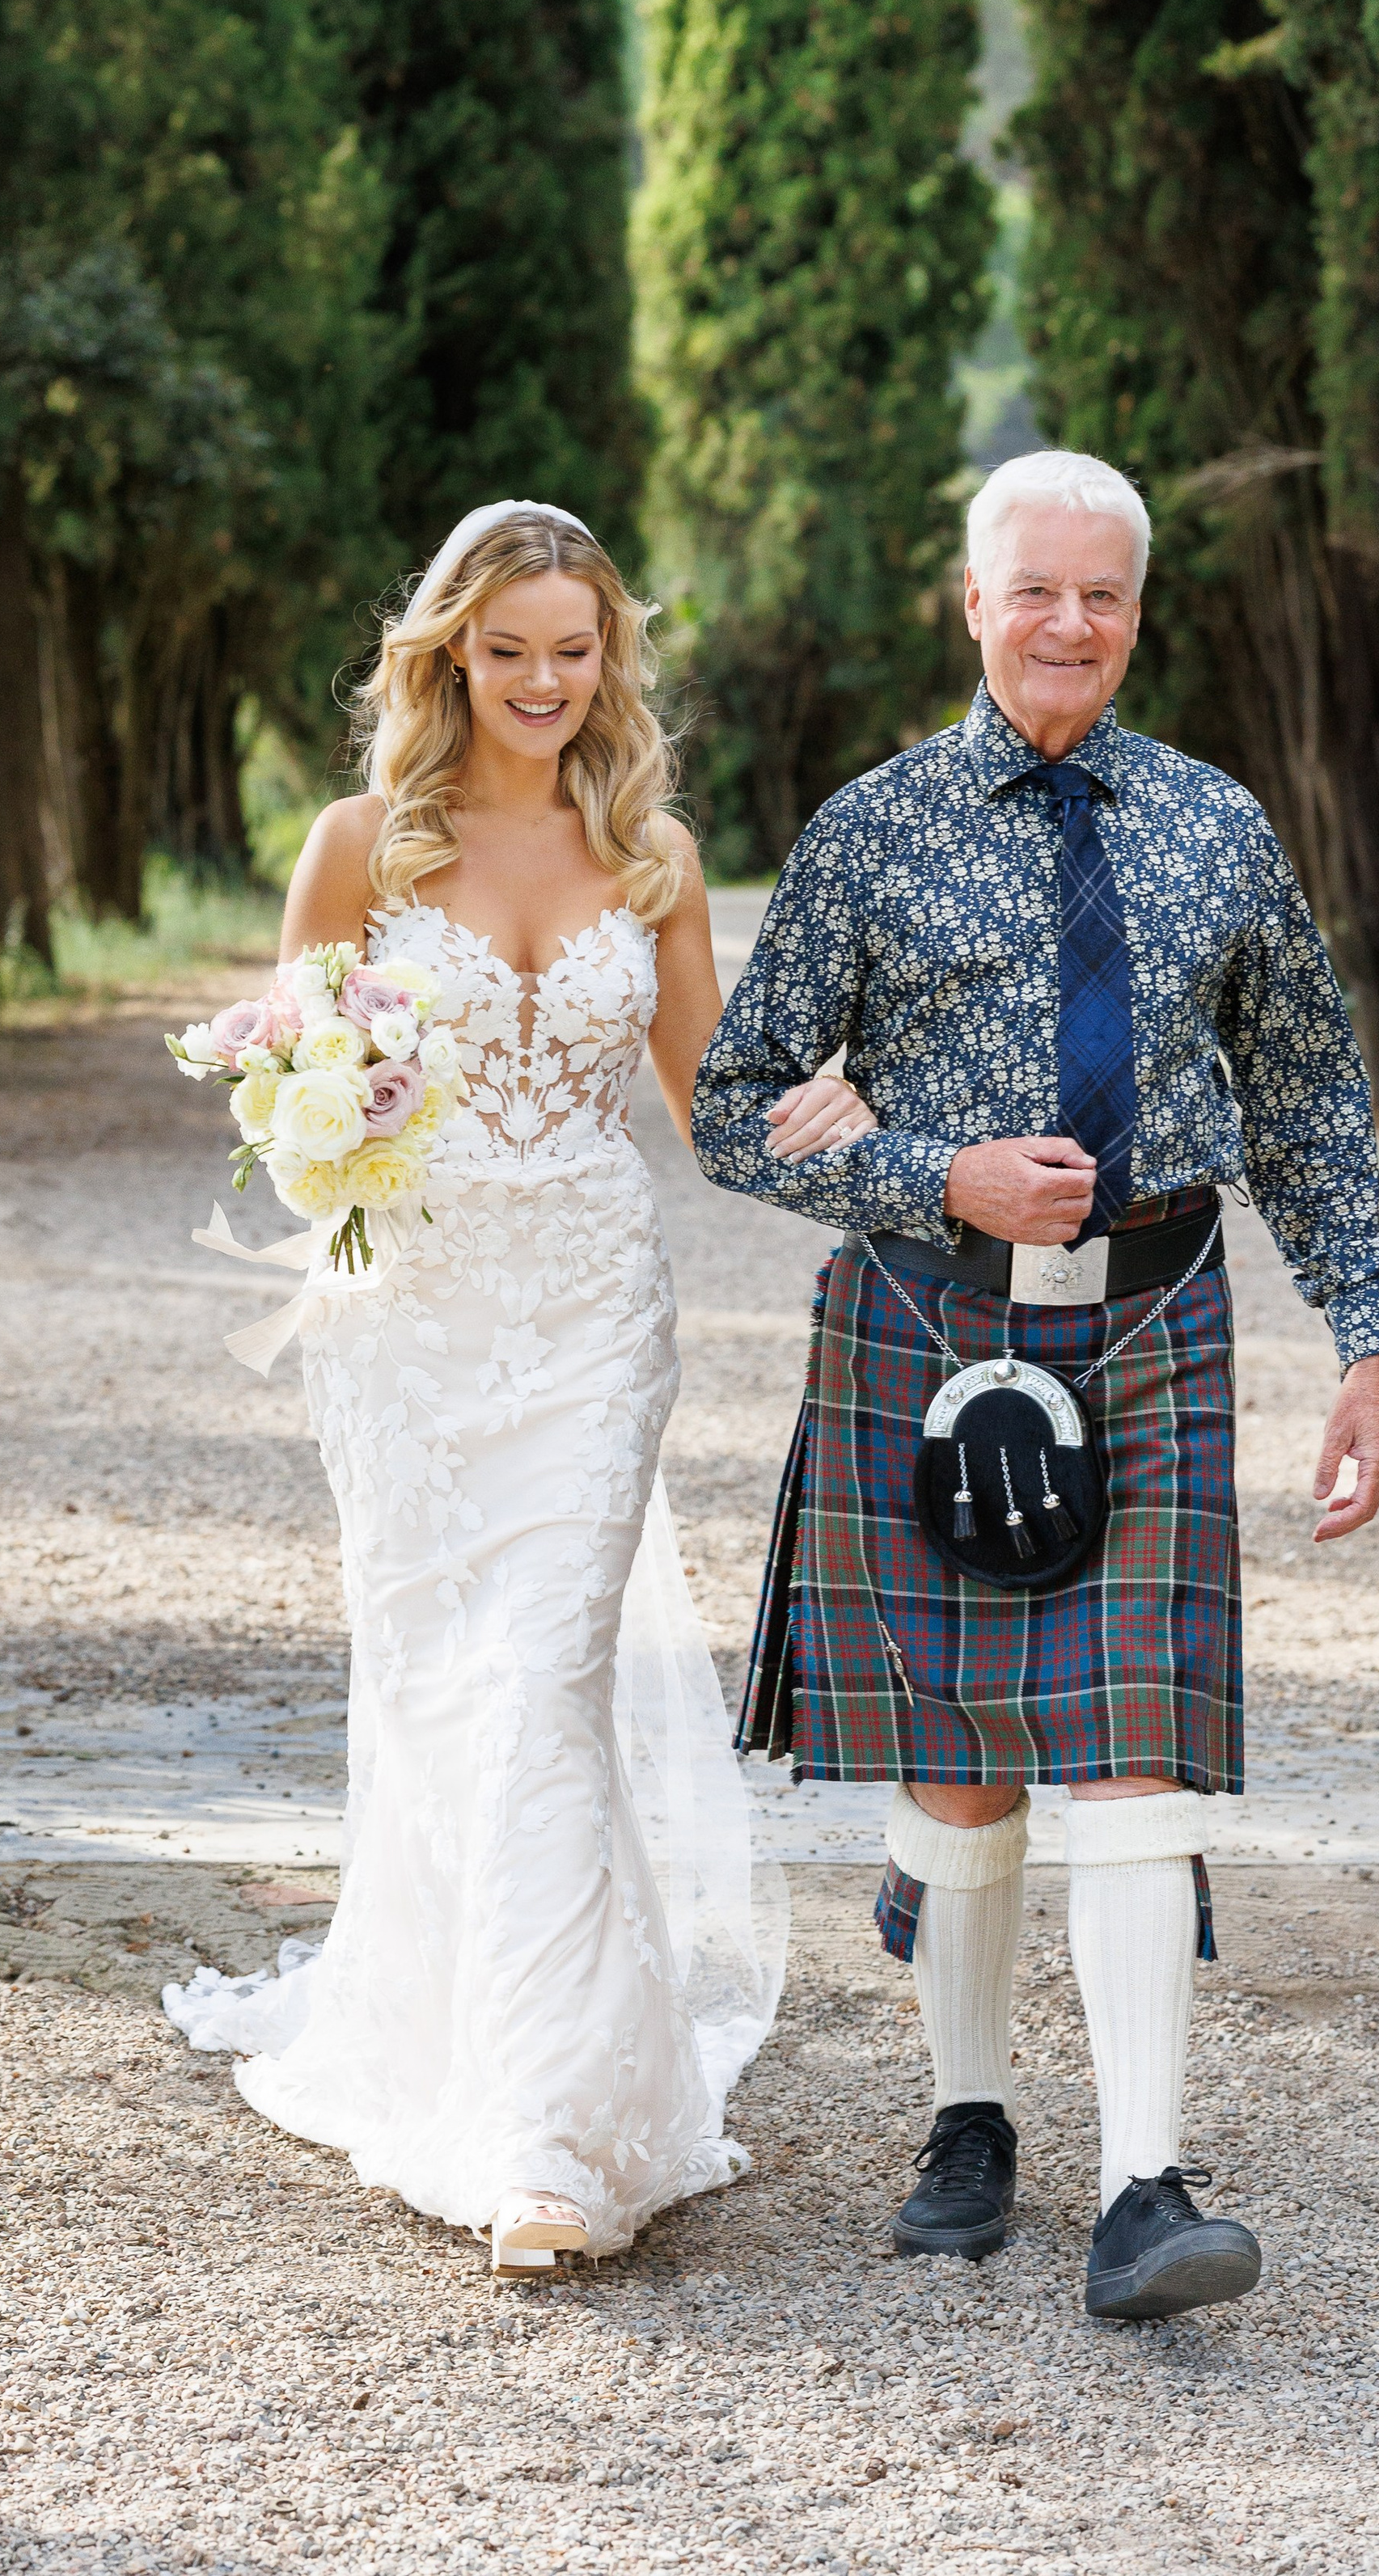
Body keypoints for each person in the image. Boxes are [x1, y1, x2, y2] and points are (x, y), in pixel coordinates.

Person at [692, 450, 1379, 2321]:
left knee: (1127, 1750)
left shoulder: (1212, 827)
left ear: (1136, 610)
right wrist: (932, 1174)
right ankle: (966, 2115)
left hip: (1149, 1319)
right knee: (954, 1766)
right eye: (1035, 591)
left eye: (1100, 595)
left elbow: (1307, 1103)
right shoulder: (868, 829)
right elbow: (729, 1107)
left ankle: (1142, 2186)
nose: (1068, 623)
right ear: (971, 601)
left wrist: (1366, 1336)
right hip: (927, 1324)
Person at [164, 500, 872, 2274]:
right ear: (450, 655)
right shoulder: (359, 847)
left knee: (548, 1674)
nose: (544, 681)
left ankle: (550, 2135)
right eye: (509, 649)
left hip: (587, 1319)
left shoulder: (654, 858)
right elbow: (295, 1074)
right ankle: (467, 2049)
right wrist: (326, 1117)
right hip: (411, 1331)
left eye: (575, 649)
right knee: (450, 1690)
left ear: (606, 660)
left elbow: (715, 1104)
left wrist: (868, 1132)